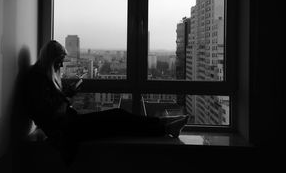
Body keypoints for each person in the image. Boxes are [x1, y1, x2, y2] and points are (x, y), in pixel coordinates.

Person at [22, 40, 188, 160]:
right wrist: (67, 96)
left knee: (118, 119)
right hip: (67, 130)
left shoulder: (40, 76)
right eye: (59, 62)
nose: (61, 66)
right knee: (118, 118)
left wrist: (65, 94)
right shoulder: (37, 78)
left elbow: (50, 107)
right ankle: (164, 127)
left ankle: (164, 125)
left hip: (69, 126)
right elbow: (50, 113)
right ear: (51, 59)